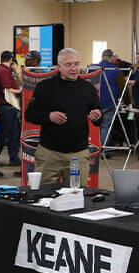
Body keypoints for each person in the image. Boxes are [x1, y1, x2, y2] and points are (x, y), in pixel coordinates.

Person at [24, 48, 102, 184]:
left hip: (78, 154)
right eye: (68, 64)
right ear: (59, 67)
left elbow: (99, 117)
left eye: (77, 64)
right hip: (49, 153)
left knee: (77, 196)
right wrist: (49, 116)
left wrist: (97, 117)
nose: (73, 68)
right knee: (43, 195)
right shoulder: (44, 87)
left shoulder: (88, 88)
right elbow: (30, 115)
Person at [0, 51, 23, 174]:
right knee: (7, 134)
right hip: (6, 106)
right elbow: (7, 89)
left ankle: (12, 157)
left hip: (7, 106)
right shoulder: (4, 71)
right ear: (11, 59)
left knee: (11, 133)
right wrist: (20, 91)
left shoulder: (1, 70)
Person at [97, 49, 122, 149]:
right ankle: (104, 150)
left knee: (95, 127)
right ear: (111, 58)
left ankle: (94, 149)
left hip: (94, 102)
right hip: (110, 102)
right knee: (105, 126)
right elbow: (122, 86)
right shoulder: (116, 70)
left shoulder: (92, 68)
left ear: (102, 56)